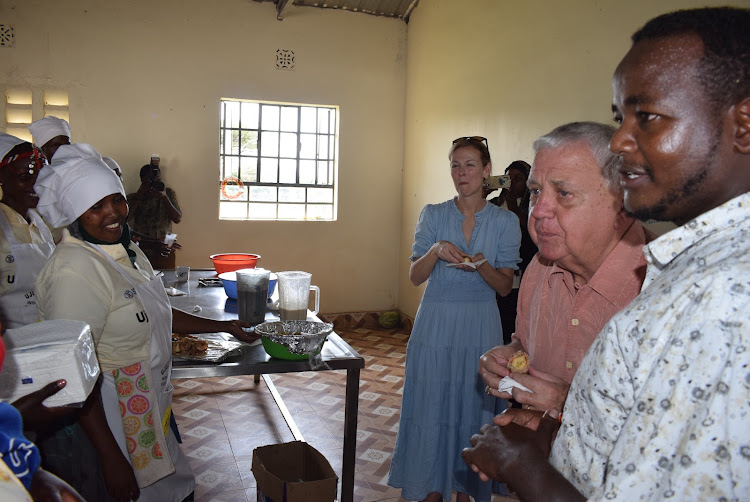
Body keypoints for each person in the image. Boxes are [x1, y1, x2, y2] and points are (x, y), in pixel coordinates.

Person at [462, 7, 750, 501]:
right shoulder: (679, 271)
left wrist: (520, 458)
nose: (620, 142)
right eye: (621, 118)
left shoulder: (720, 292)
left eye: (648, 117)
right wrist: (517, 370)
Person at [32, 144, 259, 502]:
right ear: (75, 214)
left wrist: (225, 327)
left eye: (116, 199)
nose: (113, 213)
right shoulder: (74, 270)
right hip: (112, 412)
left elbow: (156, 311)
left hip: (147, 401)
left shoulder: (126, 249)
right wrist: (111, 458)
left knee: (175, 488)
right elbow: (72, 376)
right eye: (96, 206)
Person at [478, 122, 652, 415]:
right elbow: (525, 342)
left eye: (564, 193)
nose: (538, 210)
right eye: (535, 191)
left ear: (622, 201)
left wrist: (566, 403)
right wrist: (510, 356)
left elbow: (676, 432)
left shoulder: (664, 288)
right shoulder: (539, 267)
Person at [388, 136, 521, 502]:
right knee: (429, 406)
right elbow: (416, 276)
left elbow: (505, 287)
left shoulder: (505, 222)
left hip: (480, 327)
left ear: (487, 171)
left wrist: (481, 265)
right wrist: (434, 251)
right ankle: (428, 487)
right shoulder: (432, 214)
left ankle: (467, 492)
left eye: (470, 165)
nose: (461, 173)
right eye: (455, 165)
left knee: (473, 413)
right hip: (434, 324)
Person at [0, 134, 57, 329]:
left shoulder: (38, 224)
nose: (36, 185)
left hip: (45, 333)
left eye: (40, 177)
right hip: (10, 344)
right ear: (1, 178)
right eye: (25, 176)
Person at [487, 161, 538, 344]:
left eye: (518, 178)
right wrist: (484, 190)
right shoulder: (494, 204)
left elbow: (533, 230)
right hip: (491, 270)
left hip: (519, 273)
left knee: (510, 322)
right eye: (508, 178)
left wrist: (513, 205)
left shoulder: (533, 205)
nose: (513, 182)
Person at [127, 161, 182, 269]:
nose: (154, 184)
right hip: (142, 251)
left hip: (166, 249)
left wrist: (165, 198)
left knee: (167, 280)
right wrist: (140, 194)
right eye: (149, 181)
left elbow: (177, 218)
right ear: (142, 181)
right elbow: (126, 219)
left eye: (157, 180)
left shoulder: (169, 194)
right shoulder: (133, 197)